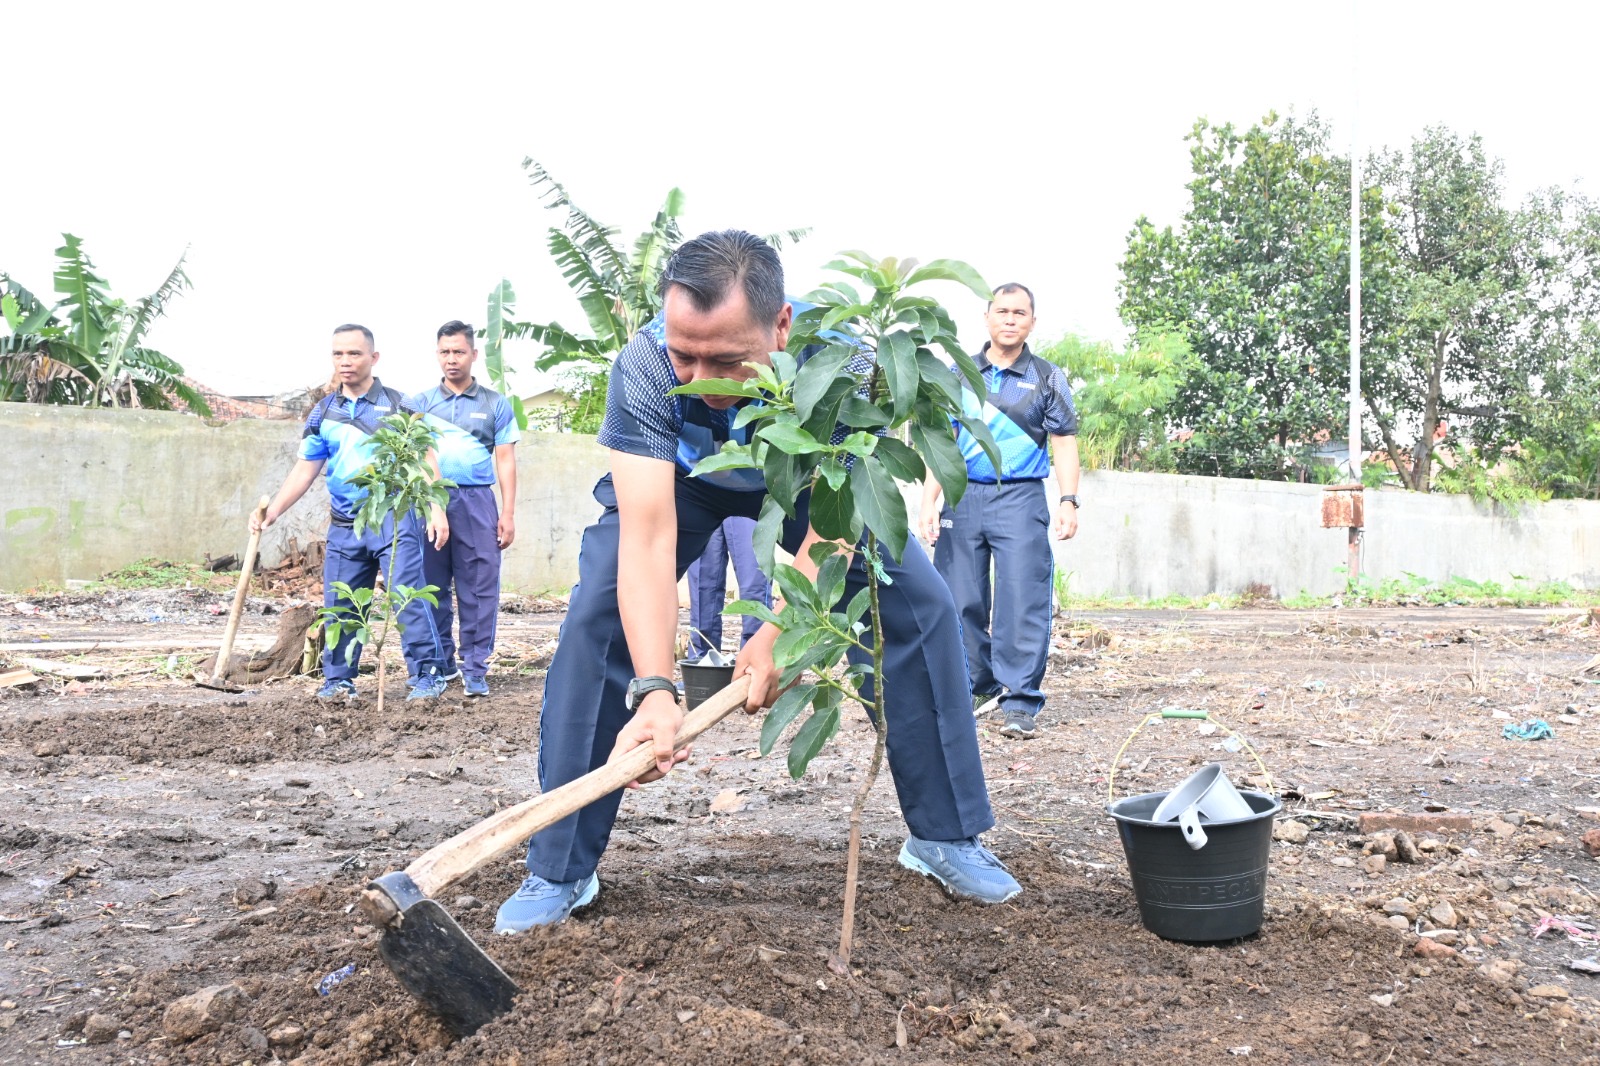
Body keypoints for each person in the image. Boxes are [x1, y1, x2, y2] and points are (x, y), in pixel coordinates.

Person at [494, 230, 1019, 933]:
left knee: (917, 608)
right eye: (687, 355)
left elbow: (836, 520)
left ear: (781, 327)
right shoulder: (645, 366)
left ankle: (945, 835)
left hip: (811, 476)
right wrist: (654, 688)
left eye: (726, 360)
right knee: (596, 617)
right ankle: (558, 867)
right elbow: (647, 539)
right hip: (688, 478)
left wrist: (781, 631)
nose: (702, 380)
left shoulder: (844, 357)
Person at [252, 324, 451, 702]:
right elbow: (305, 467)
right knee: (341, 604)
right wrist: (273, 511)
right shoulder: (324, 410)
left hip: (395, 519)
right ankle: (338, 681)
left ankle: (427, 676)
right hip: (345, 524)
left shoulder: (399, 405)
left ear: (373, 358)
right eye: (338, 354)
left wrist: (436, 508)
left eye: (354, 353)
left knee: (407, 598)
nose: (345, 361)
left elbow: (426, 458)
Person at [919, 285, 1080, 739]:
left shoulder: (1047, 377)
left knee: (1021, 599)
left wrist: (1069, 500)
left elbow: (1065, 441)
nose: (1010, 320)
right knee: (958, 597)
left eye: (1020, 313)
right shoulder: (958, 373)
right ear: (987, 317)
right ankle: (976, 687)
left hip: (1021, 499)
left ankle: (1020, 701)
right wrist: (928, 499)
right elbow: (943, 441)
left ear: (1032, 322)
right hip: (963, 495)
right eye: (1002, 311)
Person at [408, 321, 521, 697]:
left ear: (474, 354)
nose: (451, 359)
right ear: (437, 354)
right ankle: (442, 665)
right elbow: (415, 456)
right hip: (430, 502)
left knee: (479, 586)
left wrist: (507, 513)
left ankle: (475, 668)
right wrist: (433, 501)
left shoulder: (494, 403)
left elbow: (505, 460)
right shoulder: (420, 404)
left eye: (459, 351)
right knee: (431, 585)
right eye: (444, 352)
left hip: (477, 502)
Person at [685, 516, 770, 659]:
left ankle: (754, 665)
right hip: (704, 499)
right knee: (702, 594)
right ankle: (701, 669)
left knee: (754, 588)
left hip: (749, 498)